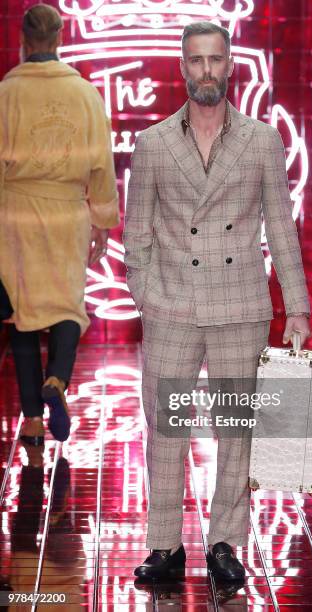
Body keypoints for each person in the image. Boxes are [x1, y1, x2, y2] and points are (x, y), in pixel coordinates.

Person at [123, 21, 311, 581]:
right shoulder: (153, 144)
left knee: (237, 432)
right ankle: (164, 547)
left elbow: (281, 227)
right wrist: (148, 297)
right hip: (173, 306)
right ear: (182, 68)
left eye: (215, 60)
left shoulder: (262, 140)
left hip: (239, 306)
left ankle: (225, 544)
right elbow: (137, 235)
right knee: (166, 430)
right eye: (196, 61)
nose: (206, 70)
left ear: (231, 66)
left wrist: (295, 306)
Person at [0, 4, 119, 446]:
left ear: (23, 40)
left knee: (23, 313)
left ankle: (32, 420)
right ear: (61, 38)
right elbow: (101, 165)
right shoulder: (85, 94)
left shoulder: (5, 94)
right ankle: (58, 382)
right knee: (68, 305)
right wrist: (103, 220)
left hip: (14, 214)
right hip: (68, 211)